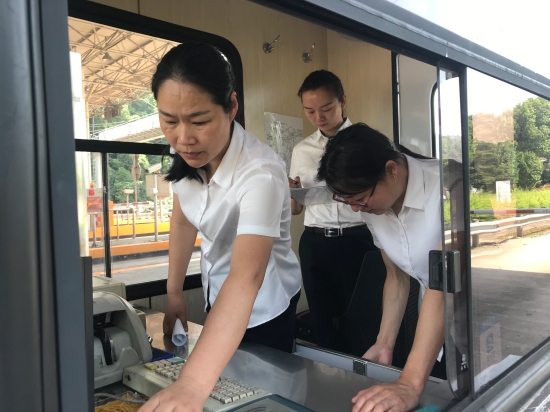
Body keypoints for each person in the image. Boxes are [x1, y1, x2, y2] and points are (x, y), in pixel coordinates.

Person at [140, 42, 301, 412]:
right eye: (169, 121)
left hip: (264, 304)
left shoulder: (261, 172)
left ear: (231, 107)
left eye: (199, 121)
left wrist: (191, 385)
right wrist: (174, 292)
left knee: (258, 398)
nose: (183, 138)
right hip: (219, 291)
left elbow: (246, 278)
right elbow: (183, 219)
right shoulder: (189, 150)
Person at [317, 123, 444, 412]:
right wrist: (384, 344)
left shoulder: (445, 187)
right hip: (434, 323)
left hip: (478, 315)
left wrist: (410, 383)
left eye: (360, 198)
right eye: (349, 202)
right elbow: (396, 278)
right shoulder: (373, 206)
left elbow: (444, 283)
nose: (356, 209)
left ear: (391, 170)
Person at [289, 70, 378, 353]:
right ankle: (330, 374)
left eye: (326, 108)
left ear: (343, 101)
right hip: (315, 242)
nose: (319, 117)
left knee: (364, 318)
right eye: (309, 111)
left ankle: (366, 373)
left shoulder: (366, 143)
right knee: (322, 319)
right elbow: (296, 209)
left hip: (358, 240)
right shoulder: (301, 150)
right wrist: (291, 191)